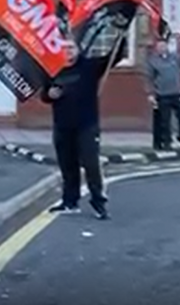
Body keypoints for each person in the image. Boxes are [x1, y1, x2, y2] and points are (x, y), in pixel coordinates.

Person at [41, 36, 127, 220]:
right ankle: (70, 202)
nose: (68, 52)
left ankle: (98, 203)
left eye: (71, 48)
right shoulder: (54, 70)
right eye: (65, 48)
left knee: (90, 164)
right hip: (62, 125)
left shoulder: (89, 67)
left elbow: (115, 57)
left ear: (78, 50)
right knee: (67, 165)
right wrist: (49, 94)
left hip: (86, 124)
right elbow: (44, 94)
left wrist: (122, 38)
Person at [145, 37, 180, 150]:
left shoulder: (174, 58)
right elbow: (149, 78)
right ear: (156, 48)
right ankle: (166, 142)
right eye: (160, 46)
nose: (162, 48)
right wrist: (150, 93)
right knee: (165, 119)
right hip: (162, 94)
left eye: (164, 46)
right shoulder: (153, 61)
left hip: (176, 92)